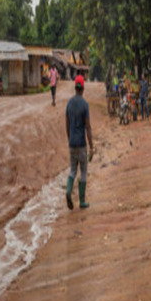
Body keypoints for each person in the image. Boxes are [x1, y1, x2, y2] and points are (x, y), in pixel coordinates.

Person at [65, 75, 94, 210]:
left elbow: (67, 124)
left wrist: (70, 138)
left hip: (72, 144)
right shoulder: (84, 104)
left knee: (72, 170)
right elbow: (87, 127)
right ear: (83, 88)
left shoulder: (69, 103)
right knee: (83, 172)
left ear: (75, 87)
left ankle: (68, 191)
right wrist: (92, 146)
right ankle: (82, 201)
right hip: (82, 144)